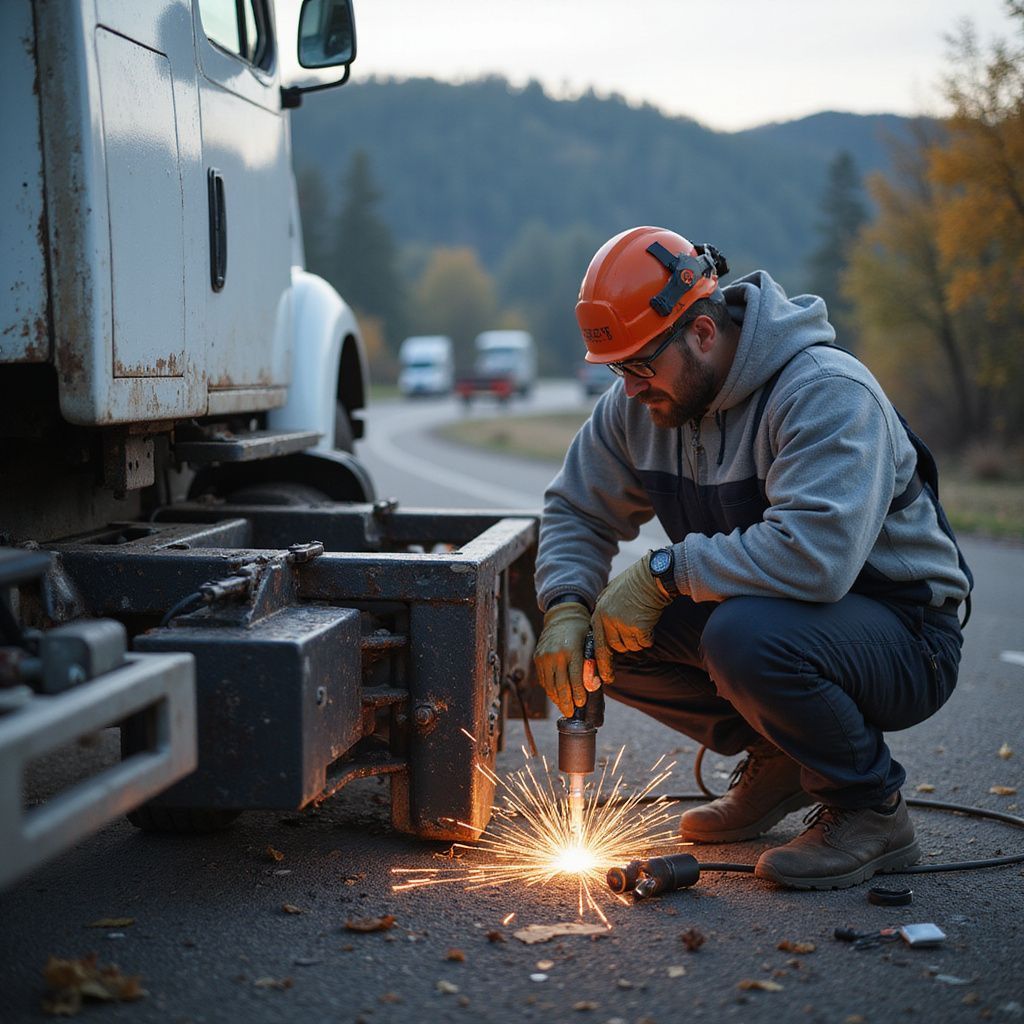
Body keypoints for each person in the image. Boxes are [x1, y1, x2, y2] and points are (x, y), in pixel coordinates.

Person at [533, 226, 971, 890]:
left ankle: (870, 808)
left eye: (640, 367)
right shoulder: (640, 404)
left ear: (703, 335)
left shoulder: (823, 391)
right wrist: (565, 606)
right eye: (615, 370)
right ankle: (784, 756)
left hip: (904, 634)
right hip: (784, 619)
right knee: (604, 636)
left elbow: (815, 559)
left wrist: (663, 574)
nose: (628, 390)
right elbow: (577, 509)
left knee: (745, 638)